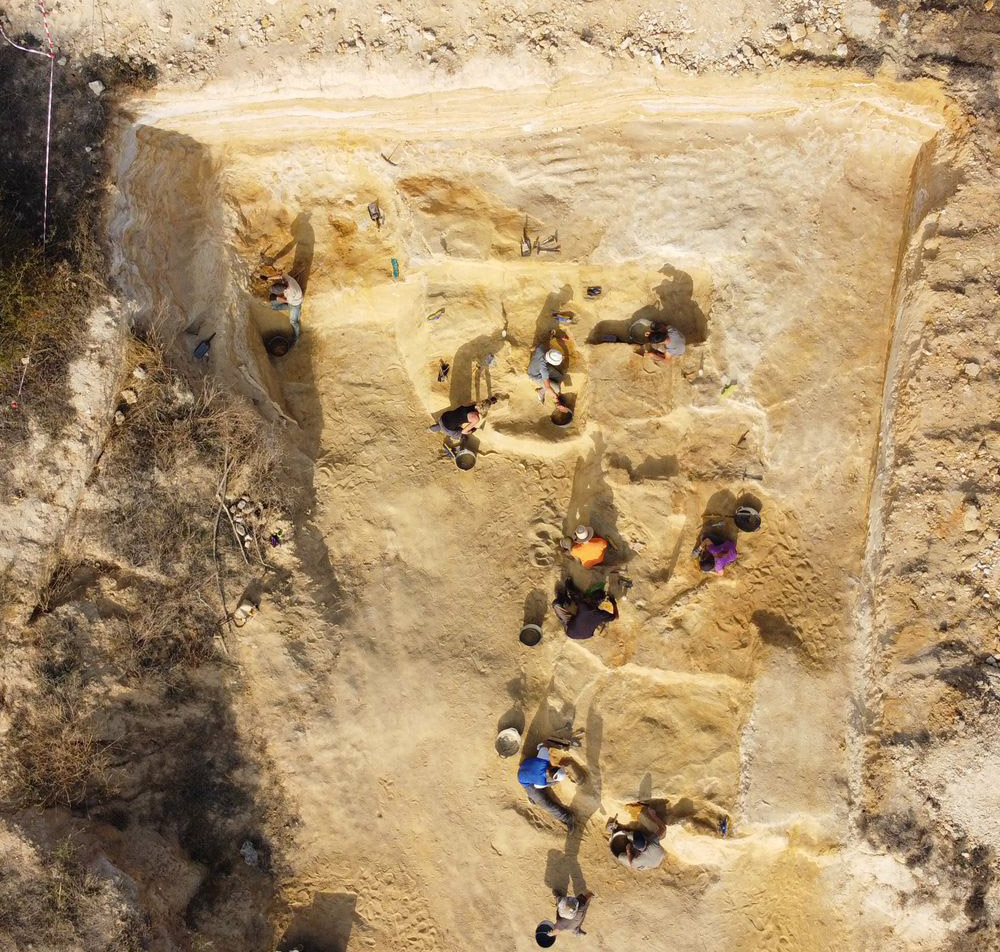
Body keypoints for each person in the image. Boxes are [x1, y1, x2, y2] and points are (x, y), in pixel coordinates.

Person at [518, 744, 574, 829]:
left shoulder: (544, 758)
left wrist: (539, 747)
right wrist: (553, 783)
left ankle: (532, 797)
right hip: (526, 782)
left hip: (526, 764)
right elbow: (539, 787)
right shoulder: (541, 783)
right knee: (545, 804)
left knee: (537, 792)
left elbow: (543, 747)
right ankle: (567, 817)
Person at [552, 580, 618, 640]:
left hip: (571, 632)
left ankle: (565, 600)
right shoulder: (601, 615)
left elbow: (575, 596)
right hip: (586, 635)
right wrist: (614, 603)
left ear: (591, 598)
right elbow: (616, 617)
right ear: (600, 602)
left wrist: (569, 585)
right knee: (586, 619)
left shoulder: (583, 607)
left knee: (556, 604)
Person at [607, 806, 667, 871]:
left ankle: (613, 833)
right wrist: (653, 815)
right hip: (657, 860)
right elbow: (663, 828)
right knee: (631, 836)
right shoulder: (653, 842)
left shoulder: (637, 860)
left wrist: (628, 850)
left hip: (648, 864)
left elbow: (631, 863)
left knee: (621, 857)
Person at [265, 271, 304, 341]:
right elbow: (280, 275)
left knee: (293, 322)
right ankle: (292, 310)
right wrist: (268, 278)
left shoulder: (290, 293)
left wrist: (277, 298)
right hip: (291, 298)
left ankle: (297, 338)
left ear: (283, 291)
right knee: (274, 306)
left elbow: (287, 301)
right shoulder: (286, 279)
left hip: (295, 304)